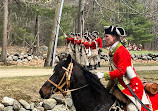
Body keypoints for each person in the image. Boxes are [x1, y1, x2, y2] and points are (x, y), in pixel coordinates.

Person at [96, 26, 158, 111]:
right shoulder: (113, 50)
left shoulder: (121, 50)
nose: (104, 39)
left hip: (130, 85)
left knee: (131, 108)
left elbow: (121, 72)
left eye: (107, 36)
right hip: (119, 84)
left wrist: (103, 75)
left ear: (114, 37)